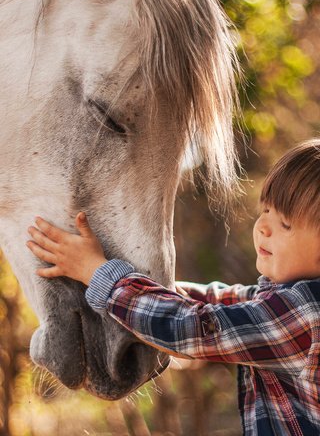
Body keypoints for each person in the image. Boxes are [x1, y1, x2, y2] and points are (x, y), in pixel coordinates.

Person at [26, 139, 320, 435]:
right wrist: (150, 286)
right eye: (265, 210)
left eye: (285, 224)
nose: (263, 227)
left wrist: (99, 274)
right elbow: (221, 302)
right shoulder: (287, 300)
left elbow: (194, 326)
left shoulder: (302, 316)